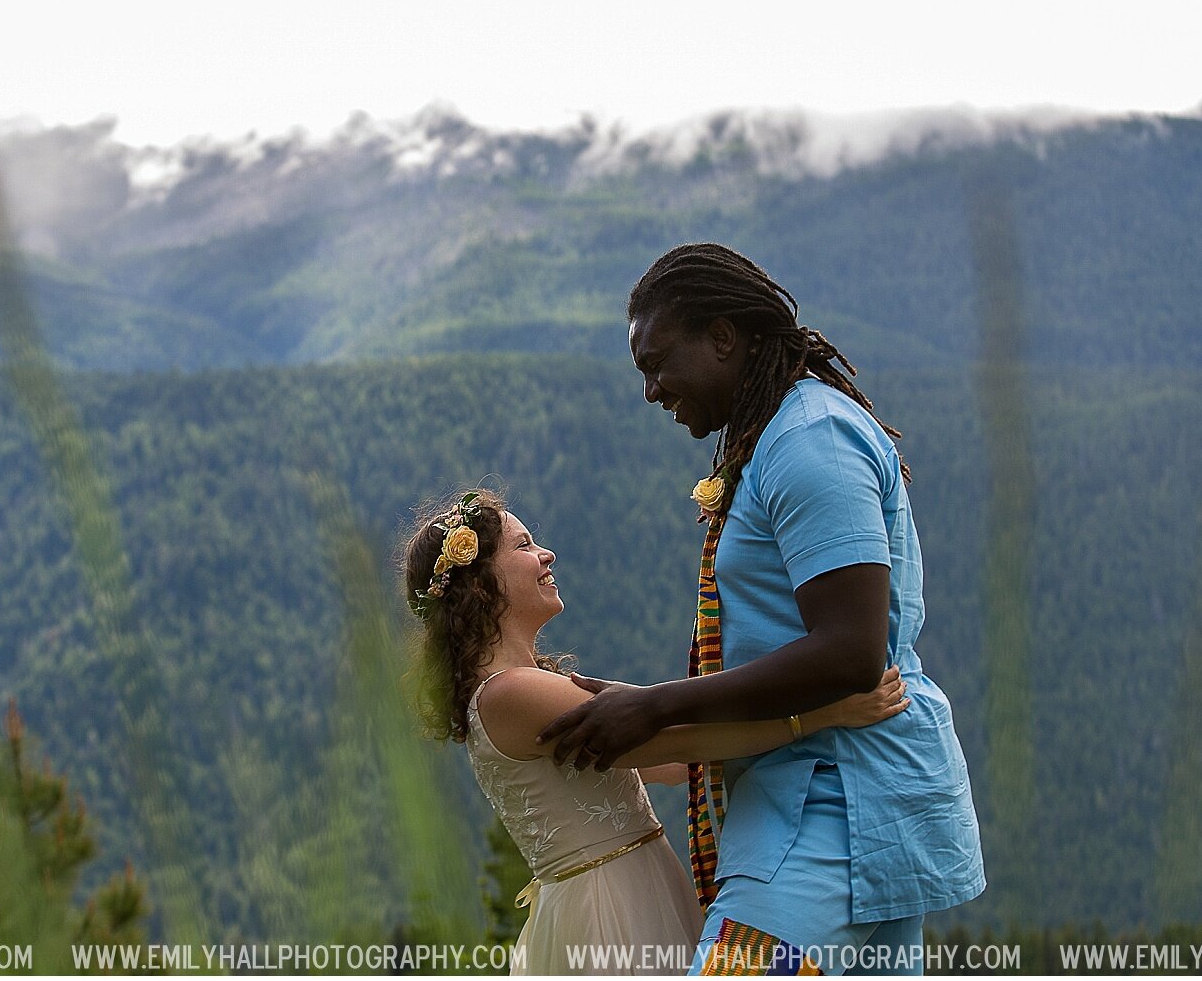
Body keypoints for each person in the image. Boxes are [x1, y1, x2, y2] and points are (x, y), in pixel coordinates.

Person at [537, 243, 986, 975]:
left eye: (657, 363)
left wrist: (658, 708)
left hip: (834, 817)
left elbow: (850, 652)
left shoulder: (811, 440)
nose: (651, 390)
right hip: (829, 809)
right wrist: (646, 705)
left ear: (723, 337)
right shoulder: (778, 435)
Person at [399, 487, 911, 976]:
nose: (547, 554)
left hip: (628, 887)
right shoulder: (511, 692)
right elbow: (673, 742)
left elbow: (667, 764)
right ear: (480, 584)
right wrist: (817, 716)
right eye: (524, 545)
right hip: (611, 910)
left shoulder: (521, 689)